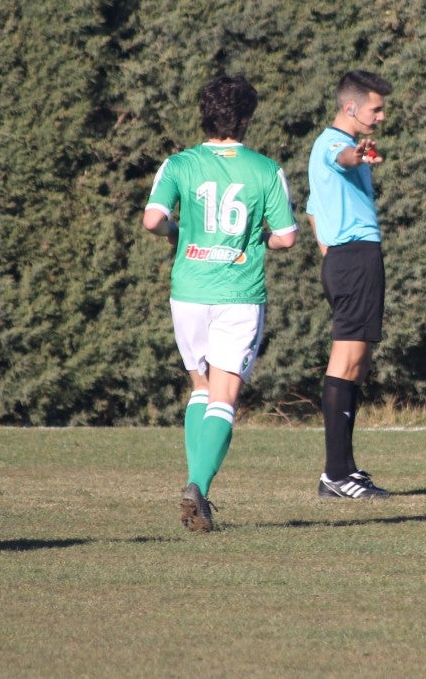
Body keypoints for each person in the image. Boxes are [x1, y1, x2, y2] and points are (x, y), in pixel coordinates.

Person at [143, 74, 299, 532]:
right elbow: (287, 238)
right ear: (247, 118)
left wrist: (178, 233)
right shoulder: (266, 169)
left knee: (200, 387)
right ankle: (197, 486)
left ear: (203, 116)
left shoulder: (178, 164)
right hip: (238, 293)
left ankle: (197, 488)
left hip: (188, 290)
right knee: (225, 396)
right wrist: (260, 241)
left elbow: (153, 220)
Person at [306, 70, 394, 499]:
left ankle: (343, 470)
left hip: (350, 258)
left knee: (356, 364)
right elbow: (344, 156)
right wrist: (358, 156)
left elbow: (312, 211)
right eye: (375, 108)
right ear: (351, 107)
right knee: (346, 362)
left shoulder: (331, 146)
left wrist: (330, 255)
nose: (381, 116)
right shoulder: (332, 144)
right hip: (354, 257)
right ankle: (336, 475)